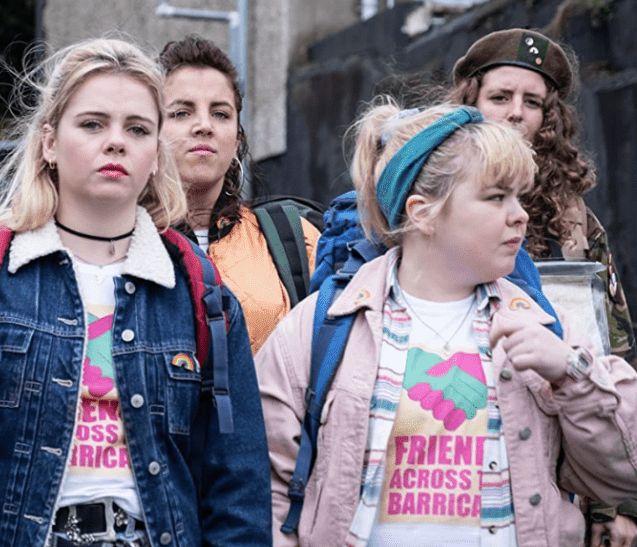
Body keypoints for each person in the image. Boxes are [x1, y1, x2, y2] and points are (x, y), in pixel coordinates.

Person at [0, 38, 271, 546]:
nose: (115, 142)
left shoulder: (202, 298)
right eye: (92, 124)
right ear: (49, 142)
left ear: (156, 154)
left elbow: (238, 495)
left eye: (137, 129)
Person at [256, 100, 637, 546]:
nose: (520, 214)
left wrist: (573, 373)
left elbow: (625, 473)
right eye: (496, 196)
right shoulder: (323, 325)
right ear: (422, 212)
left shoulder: (543, 325)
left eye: (519, 196)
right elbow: (264, 483)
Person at [448, 29, 637, 545]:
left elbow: (611, 352)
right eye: (500, 97)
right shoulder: (429, 205)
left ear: (548, 118)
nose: (515, 113)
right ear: (470, 103)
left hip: (557, 472)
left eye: (532, 102)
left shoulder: (576, 225)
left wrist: (613, 508)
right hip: (450, 446)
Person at [159, 35, 320, 354]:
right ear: (149, 130)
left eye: (220, 113)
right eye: (181, 113)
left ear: (237, 140)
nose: (204, 125)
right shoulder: (118, 241)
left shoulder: (295, 236)